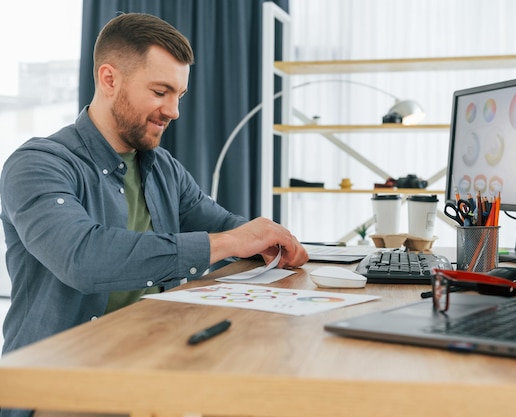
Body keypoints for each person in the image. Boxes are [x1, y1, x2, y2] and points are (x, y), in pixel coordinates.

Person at [0, 11, 309, 364]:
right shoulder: (37, 164)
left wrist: (268, 240)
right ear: (109, 80)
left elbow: (223, 226)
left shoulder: (162, 167)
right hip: (58, 378)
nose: (174, 111)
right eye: (160, 92)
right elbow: (83, 259)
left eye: (179, 94)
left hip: (153, 357)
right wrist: (230, 242)